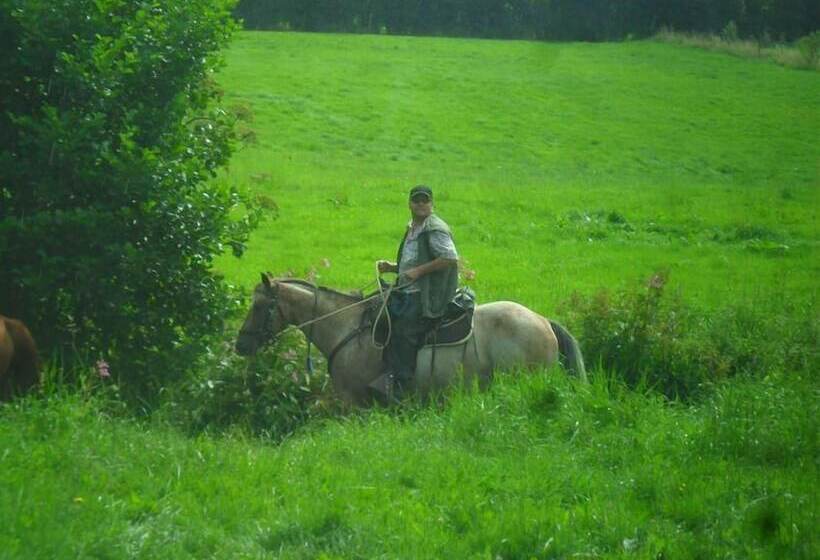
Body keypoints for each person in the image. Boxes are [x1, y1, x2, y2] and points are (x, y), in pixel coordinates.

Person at [372, 185, 459, 400]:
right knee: (377, 313)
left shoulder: (435, 229)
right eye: (417, 200)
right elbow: (416, 259)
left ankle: (402, 387)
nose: (421, 204)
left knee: (403, 330)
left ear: (432, 204)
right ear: (409, 203)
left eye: (425, 200)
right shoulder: (413, 227)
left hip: (428, 295)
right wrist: (393, 267)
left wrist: (418, 272)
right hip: (408, 289)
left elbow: (450, 258)